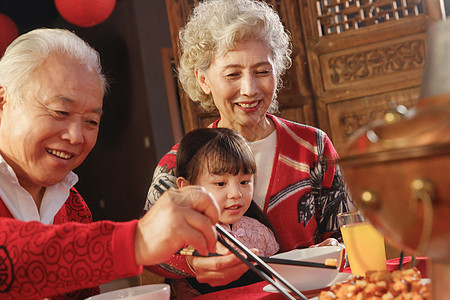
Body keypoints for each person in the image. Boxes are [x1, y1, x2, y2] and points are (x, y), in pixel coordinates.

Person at [142, 0, 352, 291]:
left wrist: (335, 247)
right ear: (203, 79)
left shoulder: (312, 147)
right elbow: (148, 249)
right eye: (232, 74)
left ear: (277, 70)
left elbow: (346, 231)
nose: (249, 89)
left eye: (262, 71)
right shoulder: (179, 162)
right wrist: (191, 262)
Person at [0, 28, 220, 299]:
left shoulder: (73, 206)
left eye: (91, 122)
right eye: (60, 112)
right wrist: (135, 240)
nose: (76, 136)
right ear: (3, 101)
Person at [171, 127, 279, 298]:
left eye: (244, 181)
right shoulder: (186, 235)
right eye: (221, 183)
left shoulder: (260, 231)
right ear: (187, 189)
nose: (236, 194)